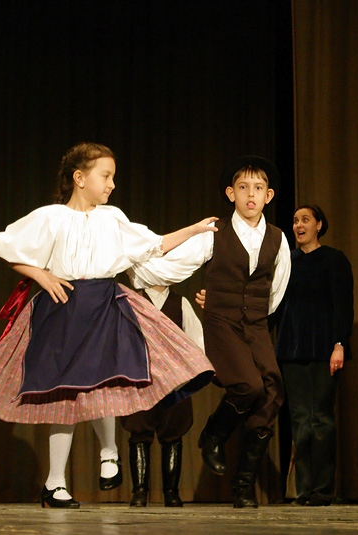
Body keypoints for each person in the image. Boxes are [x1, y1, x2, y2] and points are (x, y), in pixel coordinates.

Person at [0, 142, 216, 509]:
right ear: (80, 178)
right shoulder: (52, 217)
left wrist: (193, 230)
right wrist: (41, 275)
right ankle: (55, 484)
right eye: (106, 176)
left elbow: (156, 245)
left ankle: (109, 451)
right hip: (64, 308)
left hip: (104, 305)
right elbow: (3, 247)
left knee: (109, 378)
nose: (112, 184)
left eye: (113, 177)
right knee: (65, 394)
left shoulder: (111, 218)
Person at [129, 155, 291, 508]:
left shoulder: (278, 239)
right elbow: (173, 267)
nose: (251, 194)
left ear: (269, 195)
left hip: (256, 324)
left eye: (258, 188)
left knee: (271, 394)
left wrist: (255, 314)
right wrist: (134, 263)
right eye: (243, 187)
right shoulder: (216, 233)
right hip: (222, 323)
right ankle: (213, 434)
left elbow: (276, 289)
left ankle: (243, 486)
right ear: (231, 194)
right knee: (248, 386)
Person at [275, 205, 353, 506]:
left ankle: (322, 490)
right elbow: (272, 304)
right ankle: (304, 490)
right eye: (295, 220)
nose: (299, 225)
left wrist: (339, 344)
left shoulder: (334, 259)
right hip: (291, 349)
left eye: (305, 220)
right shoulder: (287, 261)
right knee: (300, 420)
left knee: (321, 418)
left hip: (323, 349)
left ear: (319, 225)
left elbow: (342, 305)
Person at [120, 284, 204, 508]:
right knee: (139, 433)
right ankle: (139, 491)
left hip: (174, 382)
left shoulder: (180, 303)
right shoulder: (130, 302)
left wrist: (189, 376)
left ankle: (171, 492)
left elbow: (196, 341)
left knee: (173, 434)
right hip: (140, 381)